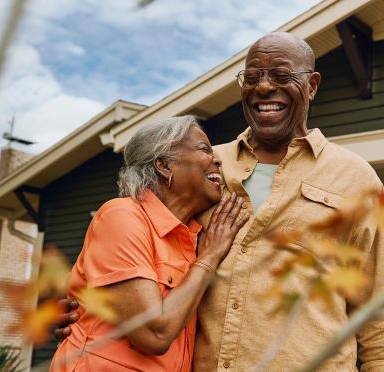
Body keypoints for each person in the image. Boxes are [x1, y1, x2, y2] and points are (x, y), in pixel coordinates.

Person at [56, 32, 384, 371]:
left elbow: (379, 306)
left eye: (280, 75)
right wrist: (90, 310)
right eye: (252, 76)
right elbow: (136, 239)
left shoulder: (354, 176)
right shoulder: (206, 167)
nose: (263, 87)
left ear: (312, 85)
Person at [50, 115, 249, 371]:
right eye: (204, 149)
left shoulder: (191, 237)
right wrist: (210, 257)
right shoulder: (121, 216)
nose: (218, 159)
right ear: (164, 166)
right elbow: (154, 334)